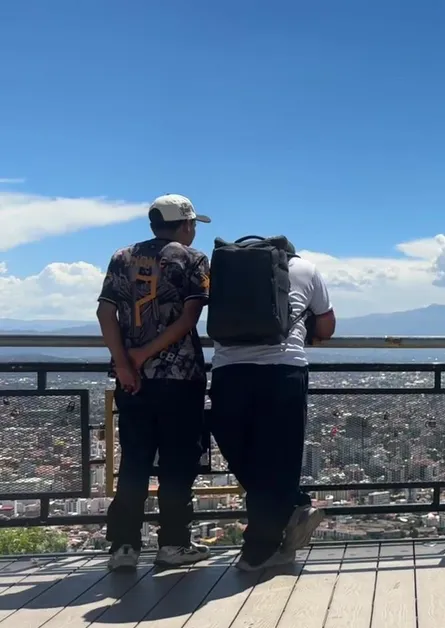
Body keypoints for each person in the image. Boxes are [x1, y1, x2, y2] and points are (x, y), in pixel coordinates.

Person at [97, 194, 214, 571]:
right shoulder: (193, 259)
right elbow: (189, 318)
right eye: (193, 225)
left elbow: (105, 313)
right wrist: (146, 353)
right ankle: (174, 544)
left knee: (134, 460)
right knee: (177, 463)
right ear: (186, 224)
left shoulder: (122, 257)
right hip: (181, 378)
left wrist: (125, 362)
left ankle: (123, 547)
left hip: (132, 380)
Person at [207, 238, 336, 571]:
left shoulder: (223, 270)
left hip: (229, 372)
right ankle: (268, 540)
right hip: (284, 370)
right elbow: (327, 326)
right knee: (281, 456)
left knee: (244, 455)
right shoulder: (306, 269)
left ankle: (274, 529)